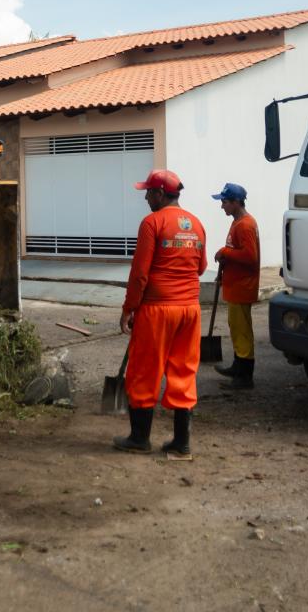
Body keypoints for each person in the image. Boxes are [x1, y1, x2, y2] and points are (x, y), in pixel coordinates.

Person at [114, 169, 207, 457]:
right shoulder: (196, 224)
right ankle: (181, 443)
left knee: (144, 370)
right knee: (183, 370)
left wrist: (129, 308)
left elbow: (139, 274)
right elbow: (201, 267)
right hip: (190, 309)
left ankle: (139, 439)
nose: (145, 198)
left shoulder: (151, 223)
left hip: (157, 309)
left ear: (159, 193)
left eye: (148, 192)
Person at [212, 183, 259, 388]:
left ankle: (245, 376)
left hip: (242, 286)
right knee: (237, 328)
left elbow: (250, 257)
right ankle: (238, 366)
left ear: (236, 202)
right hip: (235, 284)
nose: (222, 206)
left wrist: (225, 252)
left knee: (242, 331)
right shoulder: (238, 222)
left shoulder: (245, 225)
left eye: (224, 202)